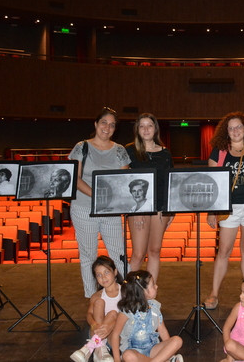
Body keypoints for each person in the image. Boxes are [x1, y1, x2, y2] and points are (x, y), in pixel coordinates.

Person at [204, 112, 244, 310]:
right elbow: (212, 184)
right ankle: (214, 293)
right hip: (229, 209)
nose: (236, 131)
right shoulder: (219, 151)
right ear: (226, 132)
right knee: (224, 251)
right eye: (231, 128)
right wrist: (212, 211)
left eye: (239, 127)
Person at [69, 107, 131, 298]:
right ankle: (93, 297)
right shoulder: (82, 147)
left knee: (118, 255)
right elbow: (76, 178)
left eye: (112, 125)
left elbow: (123, 180)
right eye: (104, 122)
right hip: (83, 207)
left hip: (110, 210)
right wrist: (98, 196)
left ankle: (123, 297)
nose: (107, 127)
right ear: (96, 124)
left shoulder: (120, 150)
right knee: (88, 256)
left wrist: (109, 200)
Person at [125, 113, 174, 282]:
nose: (146, 129)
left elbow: (169, 182)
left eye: (149, 125)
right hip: (139, 209)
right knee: (138, 253)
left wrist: (170, 211)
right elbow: (125, 182)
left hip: (160, 209)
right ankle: (129, 295)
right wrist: (136, 210)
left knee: (154, 251)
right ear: (137, 130)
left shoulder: (165, 153)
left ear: (155, 129)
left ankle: (149, 293)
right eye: (142, 126)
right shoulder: (129, 151)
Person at [112, 270, 183, 362]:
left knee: (177, 340)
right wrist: (117, 359)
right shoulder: (126, 312)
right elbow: (115, 335)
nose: (156, 286)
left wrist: (170, 353)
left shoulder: (154, 307)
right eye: (153, 285)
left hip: (153, 349)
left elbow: (163, 331)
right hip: (135, 352)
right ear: (143, 292)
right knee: (128, 355)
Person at [70, 256, 124, 362]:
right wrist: (95, 325)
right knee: (99, 303)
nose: (103, 277)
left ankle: (90, 348)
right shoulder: (96, 296)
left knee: (113, 314)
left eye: (106, 272)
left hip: (116, 334)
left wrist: (112, 324)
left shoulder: (125, 292)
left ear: (115, 272)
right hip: (97, 330)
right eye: (99, 275)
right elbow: (89, 314)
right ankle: (100, 348)